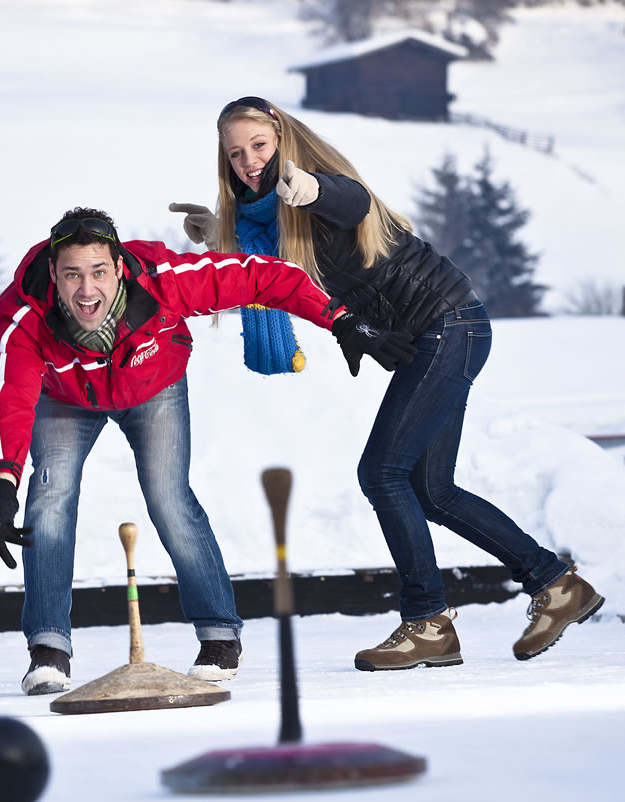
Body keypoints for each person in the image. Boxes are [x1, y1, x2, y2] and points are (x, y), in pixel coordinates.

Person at [170, 96, 605, 671]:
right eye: (236, 153)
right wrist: (220, 238)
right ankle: (555, 585)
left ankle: (427, 620)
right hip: (443, 332)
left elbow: (351, 203)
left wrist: (312, 190)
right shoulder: (265, 221)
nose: (249, 160)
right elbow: (271, 273)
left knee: (382, 472)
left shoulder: (322, 188)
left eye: (259, 146)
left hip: (448, 325)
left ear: (283, 139)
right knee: (432, 489)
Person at [0, 206, 363, 695]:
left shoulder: (163, 280)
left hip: (153, 384)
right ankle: (48, 649)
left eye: (98, 272)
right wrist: (3, 484)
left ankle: (220, 634)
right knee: (48, 498)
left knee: (168, 497)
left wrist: (338, 319)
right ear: (53, 274)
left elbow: (262, 277)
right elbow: (6, 395)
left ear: (118, 266)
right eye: (72, 275)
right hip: (67, 395)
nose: (86, 290)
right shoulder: (22, 313)